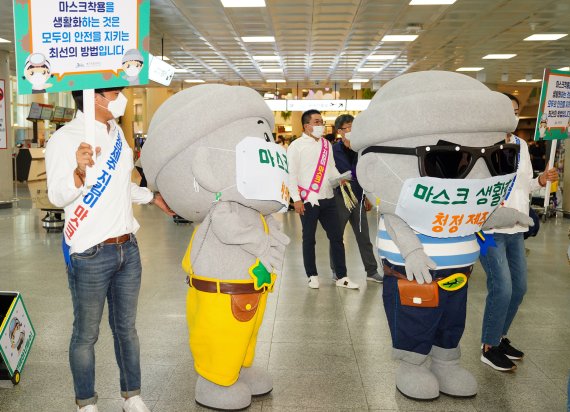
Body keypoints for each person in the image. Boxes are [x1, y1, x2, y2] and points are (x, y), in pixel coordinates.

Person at [45, 87, 174, 412]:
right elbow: (56, 196)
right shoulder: (64, 139)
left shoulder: (117, 133)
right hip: (89, 252)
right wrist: (77, 173)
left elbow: (121, 186)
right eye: (115, 93)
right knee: (86, 334)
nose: (121, 98)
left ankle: (132, 396)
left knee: (126, 330)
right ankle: (85, 402)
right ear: (94, 98)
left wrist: (152, 198)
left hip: (127, 249)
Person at [479, 93, 559, 371]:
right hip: (489, 230)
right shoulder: (483, 143)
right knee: (501, 288)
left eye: (516, 110)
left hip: (517, 227)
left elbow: (524, 183)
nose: (512, 116)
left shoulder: (522, 145)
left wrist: (540, 180)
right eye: (507, 111)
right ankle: (488, 346)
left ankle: (499, 338)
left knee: (519, 288)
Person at [287, 109, 358, 289]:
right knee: (309, 238)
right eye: (317, 122)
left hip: (328, 197)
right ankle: (312, 275)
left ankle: (341, 276)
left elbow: (331, 168)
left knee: (336, 237)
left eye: (322, 122)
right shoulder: (296, 146)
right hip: (308, 200)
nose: (321, 125)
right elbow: (291, 174)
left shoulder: (326, 144)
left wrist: (340, 177)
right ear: (306, 126)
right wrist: (296, 199)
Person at [330, 114, 382, 283]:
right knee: (336, 238)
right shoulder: (332, 150)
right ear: (340, 131)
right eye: (347, 128)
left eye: (353, 126)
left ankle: (371, 271)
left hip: (359, 197)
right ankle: (337, 271)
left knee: (364, 237)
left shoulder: (361, 150)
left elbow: (367, 173)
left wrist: (368, 196)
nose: (351, 130)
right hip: (341, 198)